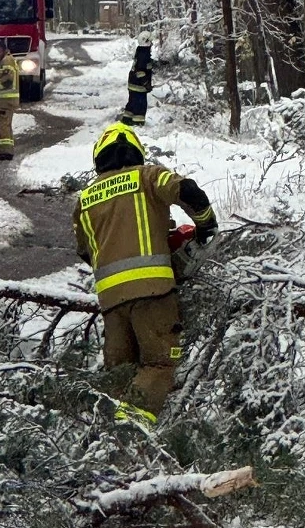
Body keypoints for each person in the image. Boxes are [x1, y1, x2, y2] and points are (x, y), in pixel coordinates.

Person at [73, 122, 218, 416]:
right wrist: (206, 225)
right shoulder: (148, 177)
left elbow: (86, 252)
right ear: (136, 153)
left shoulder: (84, 201)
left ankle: (104, 441)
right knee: (160, 363)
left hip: (111, 303)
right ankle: (132, 431)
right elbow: (188, 191)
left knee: (120, 374)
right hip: (155, 294)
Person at [121, 31, 155, 126]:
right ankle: (137, 123)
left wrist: (157, 63)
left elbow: (145, 64)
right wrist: (146, 84)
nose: (152, 43)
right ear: (146, 41)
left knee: (132, 103)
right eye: (150, 41)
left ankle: (127, 120)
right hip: (138, 86)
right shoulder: (144, 54)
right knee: (140, 105)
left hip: (133, 83)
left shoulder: (141, 50)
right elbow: (140, 71)